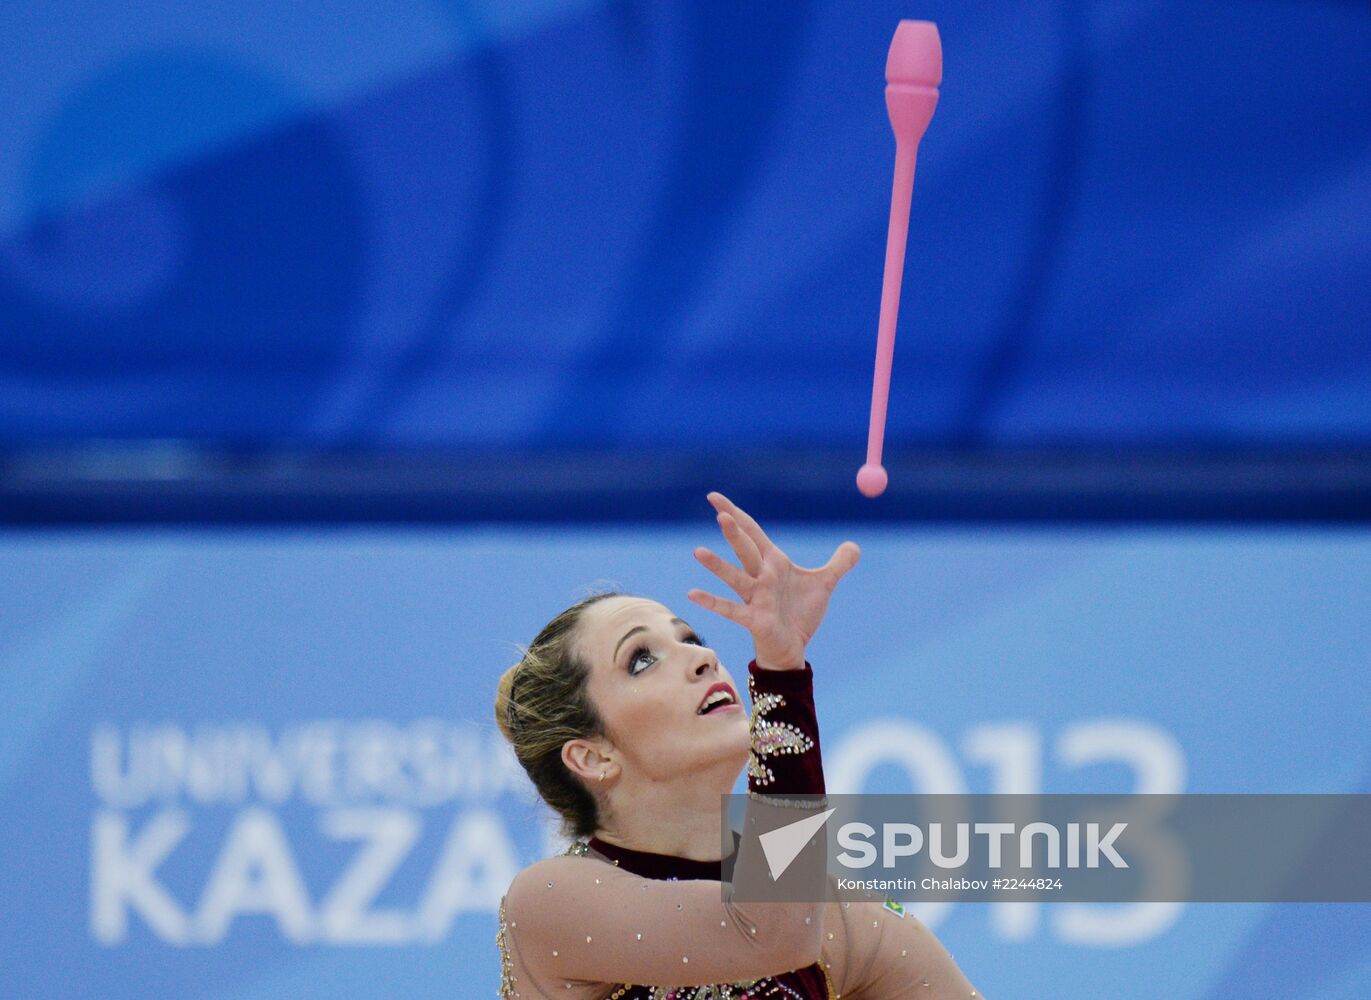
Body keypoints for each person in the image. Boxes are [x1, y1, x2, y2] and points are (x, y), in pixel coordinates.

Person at [494, 492, 984, 998]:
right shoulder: (551, 903)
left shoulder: (842, 920)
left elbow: (783, 920)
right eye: (642, 659)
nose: (703, 656)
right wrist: (781, 674)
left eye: (689, 637)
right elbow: (770, 932)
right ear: (592, 756)